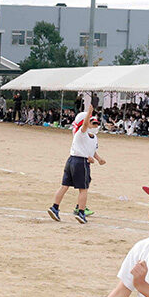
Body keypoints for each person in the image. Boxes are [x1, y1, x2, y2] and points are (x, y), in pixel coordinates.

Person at [48, 93, 104, 223]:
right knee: (83, 189)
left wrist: (98, 159)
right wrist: (89, 112)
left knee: (64, 186)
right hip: (80, 162)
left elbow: (91, 151)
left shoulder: (92, 137)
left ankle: (55, 208)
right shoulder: (81, 133)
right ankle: (81, 212)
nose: (94, 124)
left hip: (72, 161)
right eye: (91, 121)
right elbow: (84, 125)